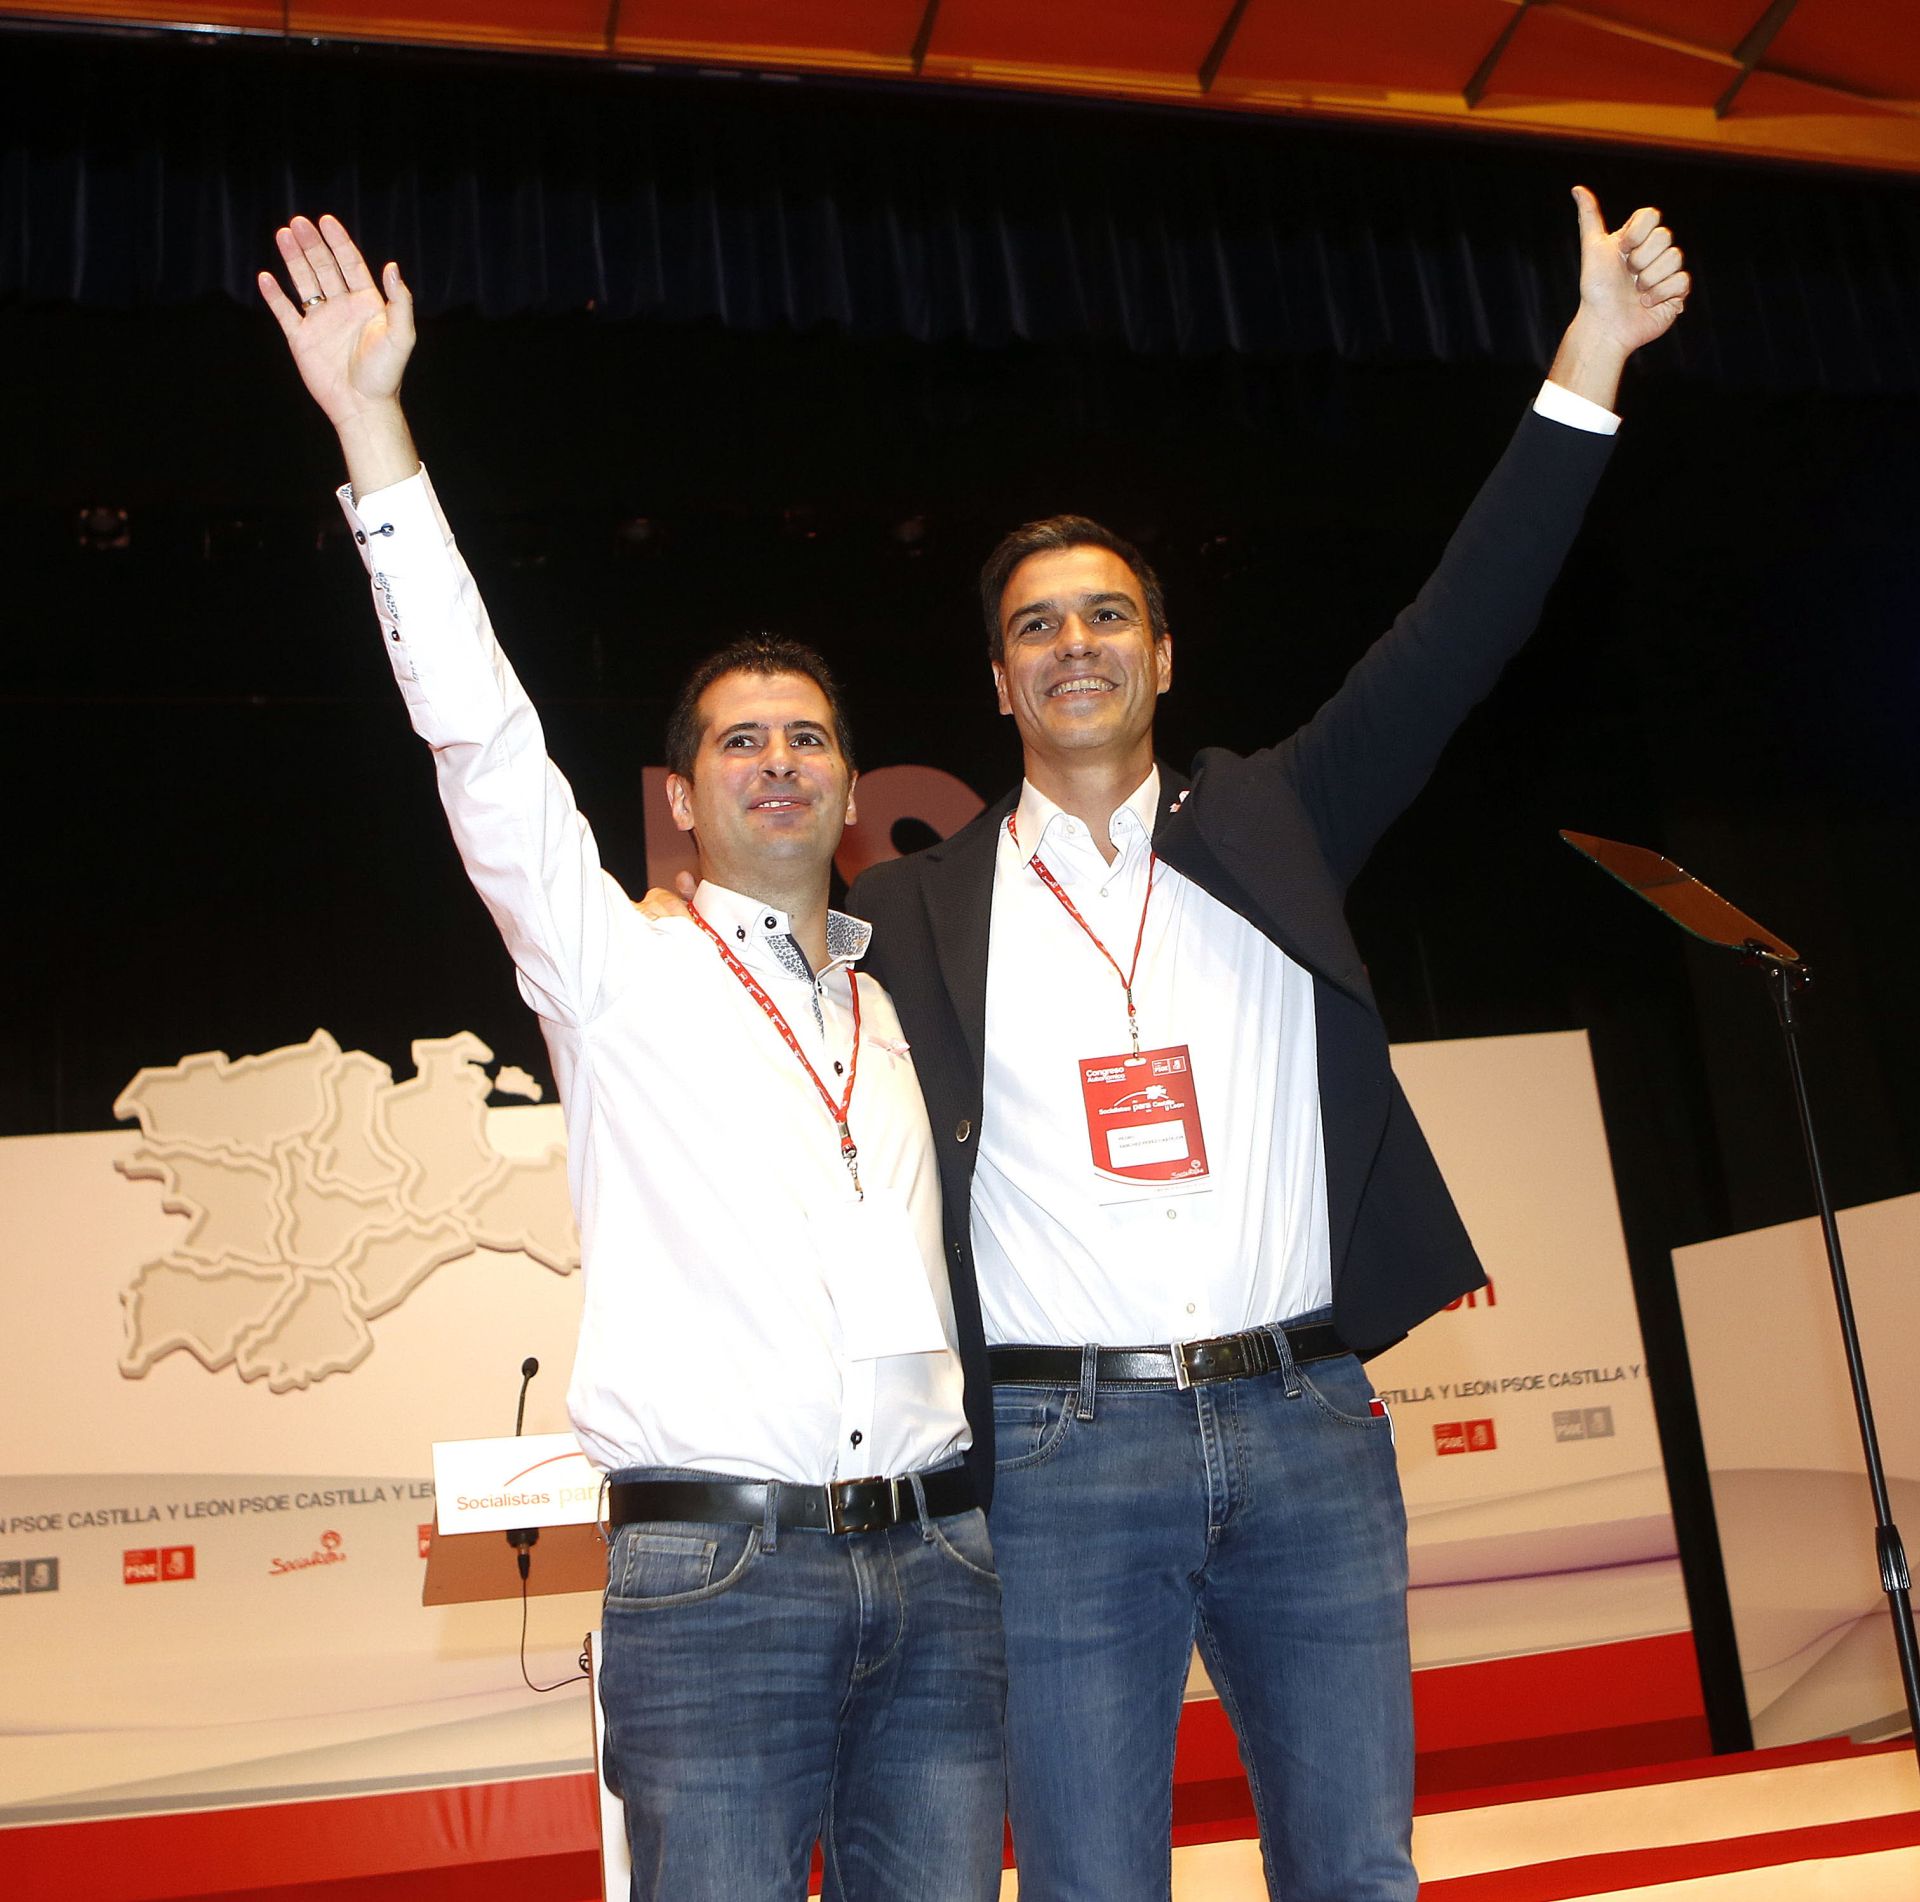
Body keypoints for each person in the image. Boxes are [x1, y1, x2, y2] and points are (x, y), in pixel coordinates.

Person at [843, 186, 1692, 1900]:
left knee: (1357, 1873)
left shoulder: (1276, 814)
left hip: (1308, 1421)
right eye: (1034, 627)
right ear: (997, 688)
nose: (1072, 645)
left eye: (1103, 617)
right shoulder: (918, 916)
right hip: (1065, 1459)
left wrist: (1590, 354)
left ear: (1164, 651)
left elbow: (1462, 629)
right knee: (1091, 1882)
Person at [258, 213, 1005, 1902]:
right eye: (739, 739)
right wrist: (377, 431)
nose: (779, 762)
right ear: (678, 794)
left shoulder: (893, 1010)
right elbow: (482, 734)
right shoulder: (615, 970)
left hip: (944, 1563)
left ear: (849, 777)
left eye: (808, 735)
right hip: (718, 1572)